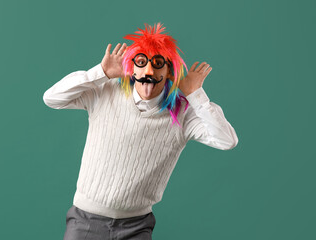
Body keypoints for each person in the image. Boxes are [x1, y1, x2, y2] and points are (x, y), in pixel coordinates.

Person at [43, 22, 238, 240]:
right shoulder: (105, 92)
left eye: (158, 64)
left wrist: (195, 95)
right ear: (131, 67)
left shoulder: (184, 113)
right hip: (86, 221)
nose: (149, 71)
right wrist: (102, 72)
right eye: (142, 62)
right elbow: (52, 98)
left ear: (170, 73)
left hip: (136, 226)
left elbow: (227, 140)